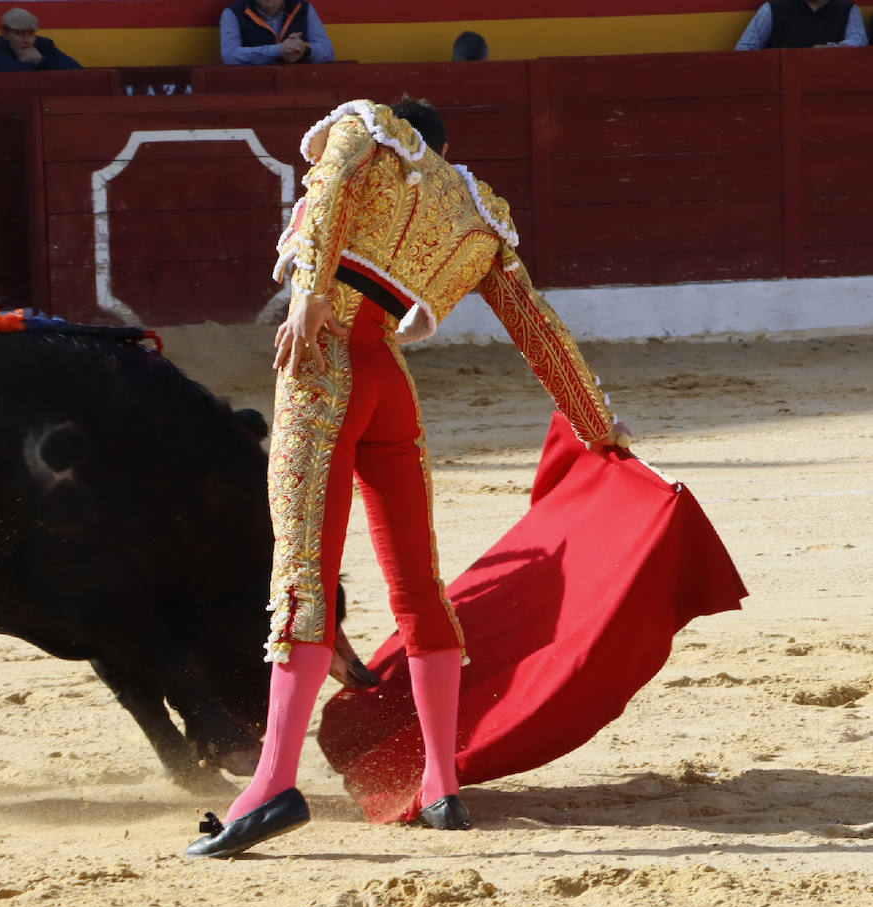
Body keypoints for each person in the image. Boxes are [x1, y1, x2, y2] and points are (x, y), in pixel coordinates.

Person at [185, 98, 629, 858]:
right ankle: (441, 784)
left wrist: (313, 292)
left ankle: (272, 785)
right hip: (390, 382)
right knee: (419, 587)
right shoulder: (478, 214)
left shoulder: (367, 133)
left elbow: (327, 191)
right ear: (448, 146)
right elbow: (536, 324)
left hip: (323, 368)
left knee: (303, 579)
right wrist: (598, 425)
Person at [220, 0, 335, 66]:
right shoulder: (233, 12)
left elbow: (328, 52)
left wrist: (304, 49)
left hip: (301, 87)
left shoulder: (303, 8)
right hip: (253, 88)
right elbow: (230, 56)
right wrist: (278, 50)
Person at [735, 0, 868, 48]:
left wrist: (832, 49)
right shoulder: (772, 9)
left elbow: (860, 41)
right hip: (780, 88)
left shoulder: (848, 8)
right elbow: (744, 49)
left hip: (830, 87)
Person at [0, 8, 82, 72]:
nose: (26, 40)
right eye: (19, 34)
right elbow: (11, 74)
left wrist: (40, 60)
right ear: (5, 34)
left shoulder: (43, 44)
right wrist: (27, 62)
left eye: (31, 34)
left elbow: (76, 69)